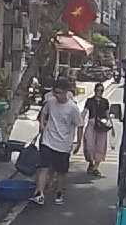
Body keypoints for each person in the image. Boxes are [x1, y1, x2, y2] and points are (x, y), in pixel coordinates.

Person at [31, 78, 83, 206]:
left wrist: (78, 142)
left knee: (61, 172)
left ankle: (59, 192)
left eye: (59, 93)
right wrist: (42, 124)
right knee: (44, 167)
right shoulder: (51, 102)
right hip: (48, 140)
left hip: (63, 144)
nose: (57, 95)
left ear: (66, 92)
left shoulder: (73, 108)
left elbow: (80, 125)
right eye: (55, 92)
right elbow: (43, 113)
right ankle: (39, 194)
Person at [82, 82, 112, 177]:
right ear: (94, 90)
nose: (99, 92)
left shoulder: (105, 101)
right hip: (92, 123)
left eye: (101, 91)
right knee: (89, 145)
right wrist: (80, 121)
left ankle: (95, 167)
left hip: (102, 125)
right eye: (98, 90)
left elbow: (107, 114)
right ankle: (91, 162)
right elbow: (84, 112)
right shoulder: (89, 101)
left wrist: (111, 125)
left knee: (100, 146)